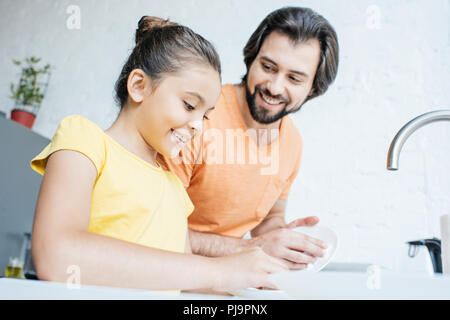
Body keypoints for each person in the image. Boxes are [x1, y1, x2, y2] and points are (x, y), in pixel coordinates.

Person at [29, 16, 286, 293]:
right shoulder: (84, 141)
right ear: (139, 85)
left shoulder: (175, 191)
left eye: (205, 116)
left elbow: (186, 281)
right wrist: (217, 272)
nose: (198, 125)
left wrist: (256, 281)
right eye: (189, 105)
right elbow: (57, 256)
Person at [159, 7, 339, 270]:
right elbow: (157, 229)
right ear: (251, 59)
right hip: (167, 277)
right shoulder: (196, 118)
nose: (275, 87)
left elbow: (270, 216)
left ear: (313, 88)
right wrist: (252, 248)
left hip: (226, 281)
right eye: (268, 67)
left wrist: (284, 237)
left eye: (294, 78)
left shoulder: (292, 143)